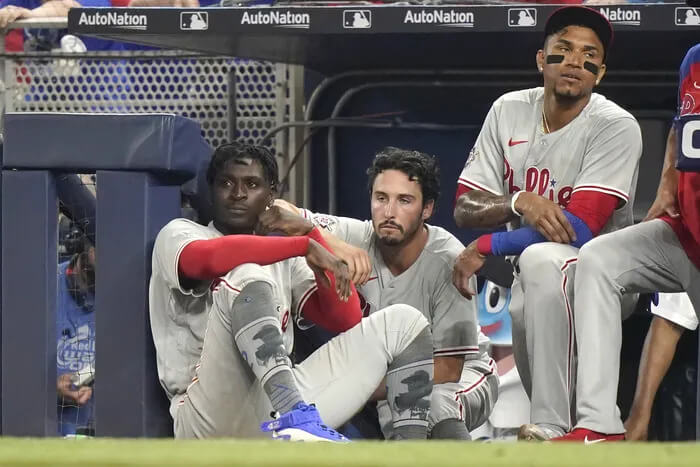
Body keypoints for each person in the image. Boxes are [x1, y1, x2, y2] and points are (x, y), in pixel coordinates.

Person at [149, 142, 435, 440]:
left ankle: (408, 452)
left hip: (272, 408)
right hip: (207, 412)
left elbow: (344, 319)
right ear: (211, 190)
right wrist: (302, 245)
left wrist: (310, 233)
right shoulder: (181, 233)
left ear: (271, 194)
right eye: (226, 183)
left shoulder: (285, 255)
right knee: (248, 273)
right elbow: (209, 258)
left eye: (252, 184)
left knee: (405, 323)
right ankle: (295, 415)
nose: (238, 194)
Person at [451, 6, 643, 440]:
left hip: (605, 273)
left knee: (540, 258)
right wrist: (520, 200)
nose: (575, 62)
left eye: (588, 54)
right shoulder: (508, 110)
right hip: (533, 276)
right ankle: (558, 433)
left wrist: (487, 246)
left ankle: (557, 428)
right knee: (534, 280)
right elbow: (464, 207)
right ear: (542, 60)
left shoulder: (615, 125)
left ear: (601, 71)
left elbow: (580, 229)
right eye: (564, 50)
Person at [262, 147, 499, 440]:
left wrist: (355, 386)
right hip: (388, 379)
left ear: (427, 209)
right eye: (381, 198)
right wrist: (328, 243)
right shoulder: (358, 236)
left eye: (405, 201)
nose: (389, 212)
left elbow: (449, 368)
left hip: (463, 373)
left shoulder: (447, 257)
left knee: (434, 404)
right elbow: (277, 210)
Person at [552, 43, 700, 442]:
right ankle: (598, 424)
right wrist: (668, 181)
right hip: (687, 240)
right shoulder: (693, 59)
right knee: (599, 257)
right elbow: (681, 124)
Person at [57, 233, 96, 436]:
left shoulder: (133, 294)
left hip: (104, 439)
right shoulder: (45, 286)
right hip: (45, 436)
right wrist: (48, 385)